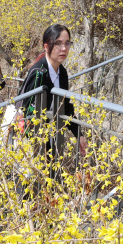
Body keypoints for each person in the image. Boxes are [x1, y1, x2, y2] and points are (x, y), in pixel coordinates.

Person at [19, 24, 85, 156]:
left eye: (67, 43)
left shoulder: (62, 72)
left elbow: (65, 106)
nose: (64, 48)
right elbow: (27, 109)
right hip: (32, 134)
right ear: (46, 46)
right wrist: (40, 144)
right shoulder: (39, 73)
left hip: (47, 132)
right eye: (58, 43)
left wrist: (79, 134)